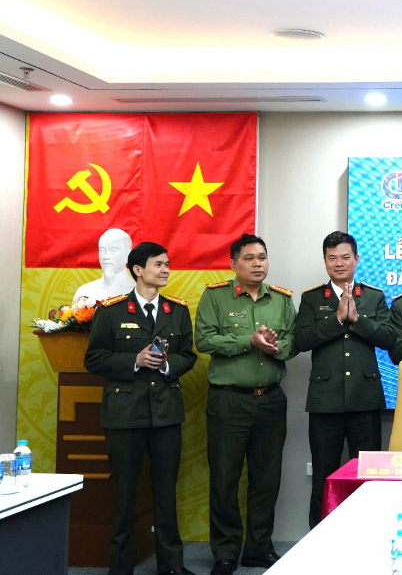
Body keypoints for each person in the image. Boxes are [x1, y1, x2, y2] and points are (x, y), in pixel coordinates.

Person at [84, 242, 197, 575]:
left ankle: (171, 566)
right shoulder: (112, 310)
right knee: (124, 494)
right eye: (158, 264)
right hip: (124, 415)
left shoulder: (177, 310)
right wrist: (134, 360)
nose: (165, 270)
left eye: (167, 264)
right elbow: (94, 359)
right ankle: (120, 567)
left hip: (165, 414)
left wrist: (166, 365)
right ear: (138, 269)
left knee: (165, 493)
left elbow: (188, 355)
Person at [195, 234, 296, 575]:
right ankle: (225, 552)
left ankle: (258, 548)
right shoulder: (215, 296)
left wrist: (275, 347)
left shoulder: (281, 299)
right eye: (250, 258)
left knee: (266, 479)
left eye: (262, 257)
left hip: (270, 400)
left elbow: (293, 340)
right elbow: (204, 339)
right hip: (229, 401)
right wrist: (247, 340)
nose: (257, 264)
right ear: (233, 263)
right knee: (225, 479)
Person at [295, 231, 396, 529]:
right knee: (324, 476)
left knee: (367, 476)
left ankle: (368, 536)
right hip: (324, 401)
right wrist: (337, 320)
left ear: (356, 259)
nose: (339, 263)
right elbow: (301, 340)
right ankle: (317, 540)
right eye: (332, 258)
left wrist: (357, 320)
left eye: (345, 257)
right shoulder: (312, 298)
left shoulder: (374, 296)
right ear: (325, 261)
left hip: (365, 397)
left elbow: (389, 338)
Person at [73, 228, 136, 304]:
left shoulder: (140, 292)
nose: (105, 256)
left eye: (113, 250)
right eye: (102, 250)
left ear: (128, 254)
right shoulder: (84, 292)